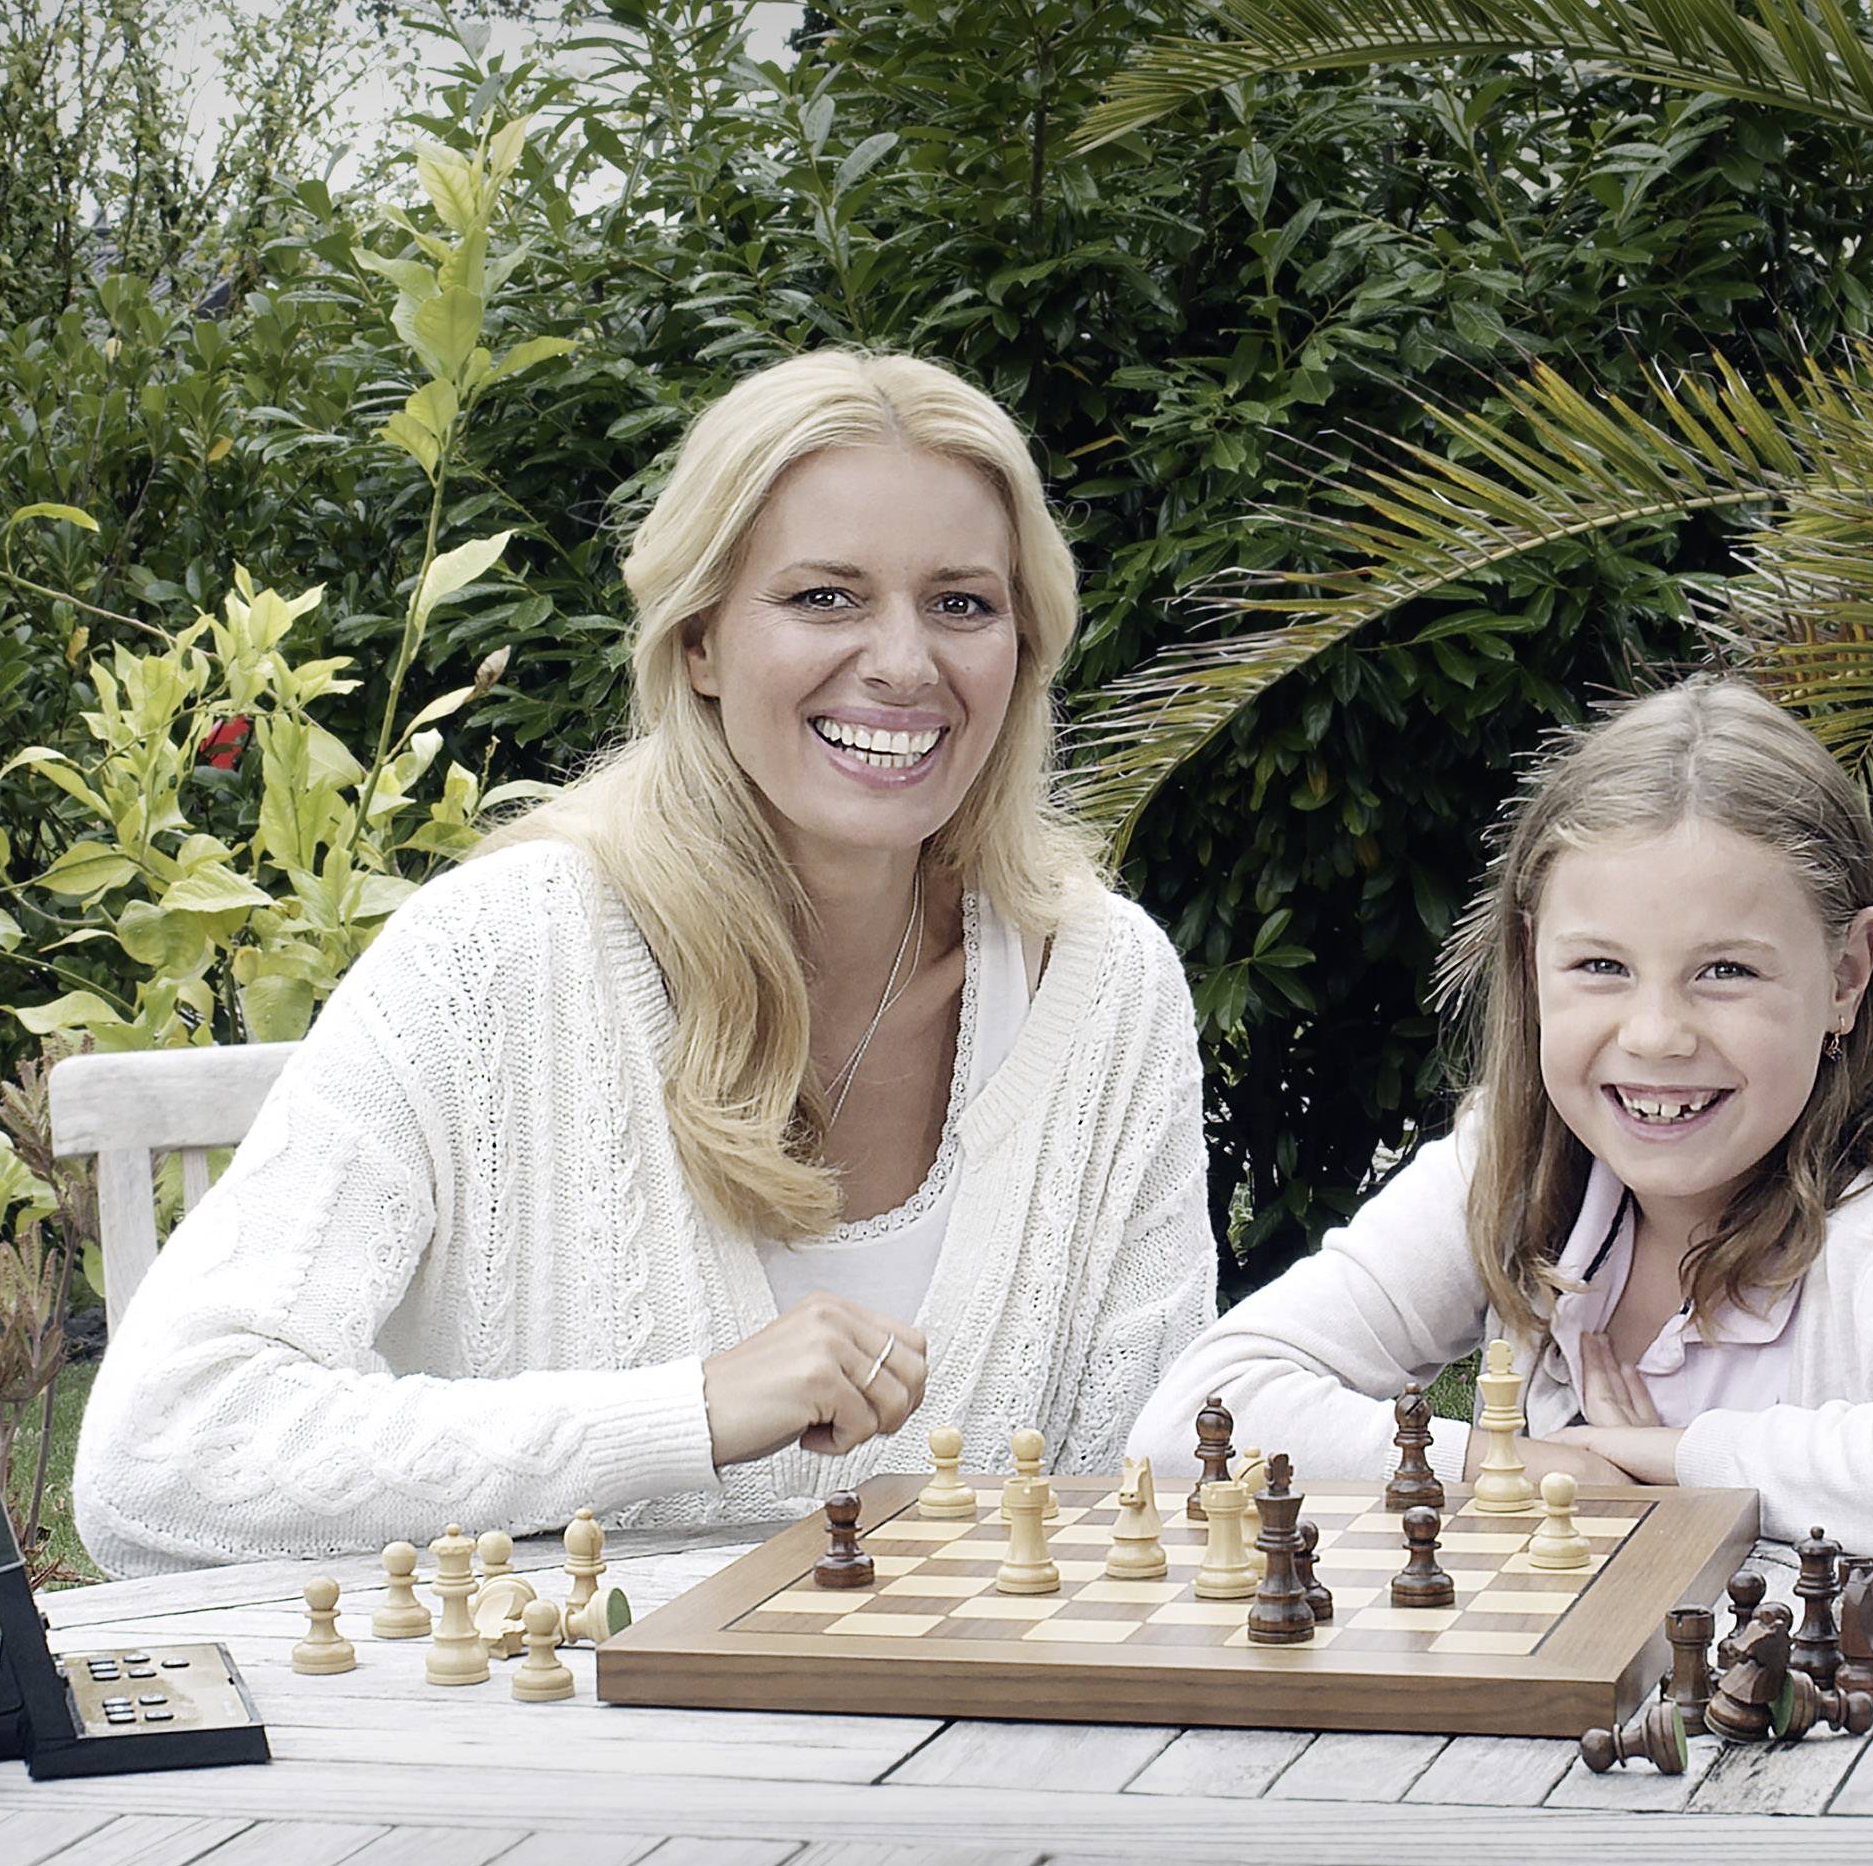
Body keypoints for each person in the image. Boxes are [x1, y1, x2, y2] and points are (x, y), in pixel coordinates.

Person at [72, 350, 1217, 1576]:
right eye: (824, 597)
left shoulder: (1103, 987)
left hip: (977, 1746)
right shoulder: (493, 961)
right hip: (546, 1746)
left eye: (962, 604)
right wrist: (688, 1413)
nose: (902, 662)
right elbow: (161, 1453)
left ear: (1022, 648)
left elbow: (1145, 1485)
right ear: (702, 641)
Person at [1129, 675, 1873, 1577]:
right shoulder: (1509, 1170)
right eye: (1601, 966)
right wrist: (1518, 1466)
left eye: (1727, 971)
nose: (1657, 1035)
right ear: (1531, 957)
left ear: (1846, 976)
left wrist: (1679, 1461)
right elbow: (1191, 1419)